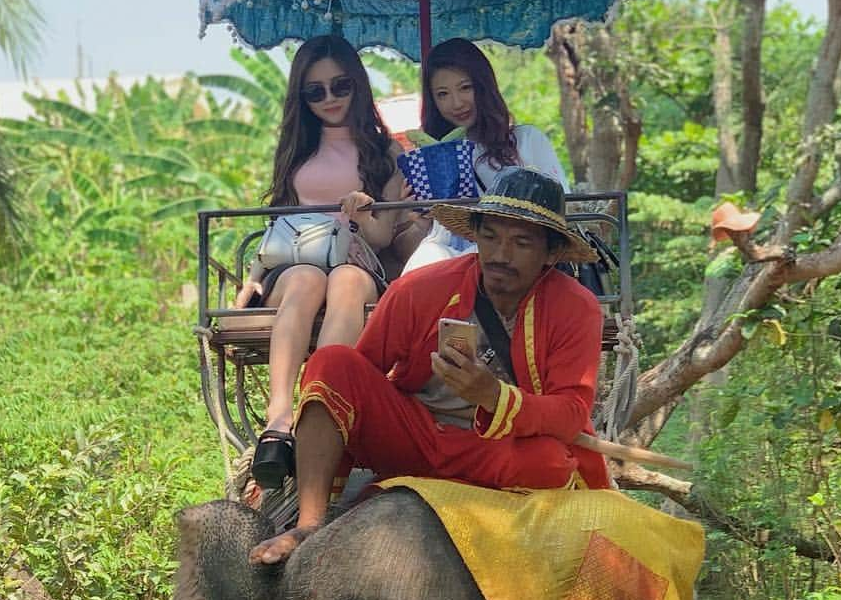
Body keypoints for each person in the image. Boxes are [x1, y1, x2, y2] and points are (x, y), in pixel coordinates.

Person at [249, 167, 610, 566]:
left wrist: (494, 397)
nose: (501, 256)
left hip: (496, 450)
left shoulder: (576, 307)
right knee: (331, 361)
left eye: (521, 243)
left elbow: (572, 414)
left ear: (552, 253)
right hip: (416, 437)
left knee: (550, 462)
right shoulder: (420, 288)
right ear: (474, 236)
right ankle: (309, 523)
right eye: (490, 237)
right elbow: (360, 377)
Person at [235, 36, 407, 489]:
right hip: (296, 260)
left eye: (340, 86)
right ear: (302, 97)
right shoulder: (296, 150)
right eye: (315, 91)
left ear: (358, 86)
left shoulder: (386, 154)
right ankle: (279, 417)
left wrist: (365, 211)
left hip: (355, 254)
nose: (329, 99)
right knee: (307, 281)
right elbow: (276, 225)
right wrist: (252, 278)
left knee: (347, 282)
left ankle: (320, 406)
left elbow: (383, 237)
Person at [400, 38, 567, 274]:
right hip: (449, 253)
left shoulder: (526, 140)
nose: (456, 103)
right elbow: (433, 237)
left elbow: (562, 207)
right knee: (421, 269)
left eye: (465, 88)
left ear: (483, 85)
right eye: (443, 94)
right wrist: (421, 221)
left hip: (516, 256)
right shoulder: (431, 160)